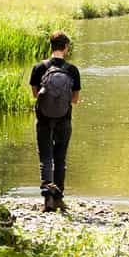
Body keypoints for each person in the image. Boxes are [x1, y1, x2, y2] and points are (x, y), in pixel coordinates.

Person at [29, 30, 81, 212]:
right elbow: (74, 99)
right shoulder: (72, 70)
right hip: (64, 119)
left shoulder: (38, 68)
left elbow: (35, 94)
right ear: (66, 47)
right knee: (60, 158)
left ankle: (47, 200)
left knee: (45, 159)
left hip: (43, 118)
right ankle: (59, 198)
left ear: (50, 46)